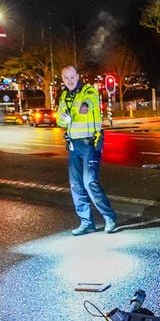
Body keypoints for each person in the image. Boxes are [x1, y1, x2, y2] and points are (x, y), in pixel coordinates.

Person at [57, 65, 117, 235]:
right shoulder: (63, 95)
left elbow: (91, 100)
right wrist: (62, 119)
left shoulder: (88, 90)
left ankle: (109, 217)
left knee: (90, 182)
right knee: (76, 185)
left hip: (90, 143)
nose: (69, 80)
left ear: (78, 76)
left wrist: (85, 105)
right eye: (66, 77)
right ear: (62, 78)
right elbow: (60, 120)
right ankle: (86, 222)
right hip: (73, 146)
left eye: (72, 77)